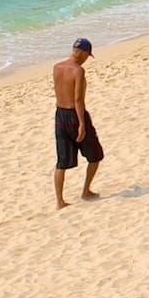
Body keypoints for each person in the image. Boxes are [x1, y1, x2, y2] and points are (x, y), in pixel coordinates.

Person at [53, 38, 104, 209]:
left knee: (61, 161)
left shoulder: (57, 67)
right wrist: (82, 123)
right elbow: (77, 99)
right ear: (82, 52)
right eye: (87, 56)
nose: (86, 60)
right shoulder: (78, 71)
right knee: (96, 155)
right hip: (75, 115)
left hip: (59, 115)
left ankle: (59, 201)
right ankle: (86, 191)